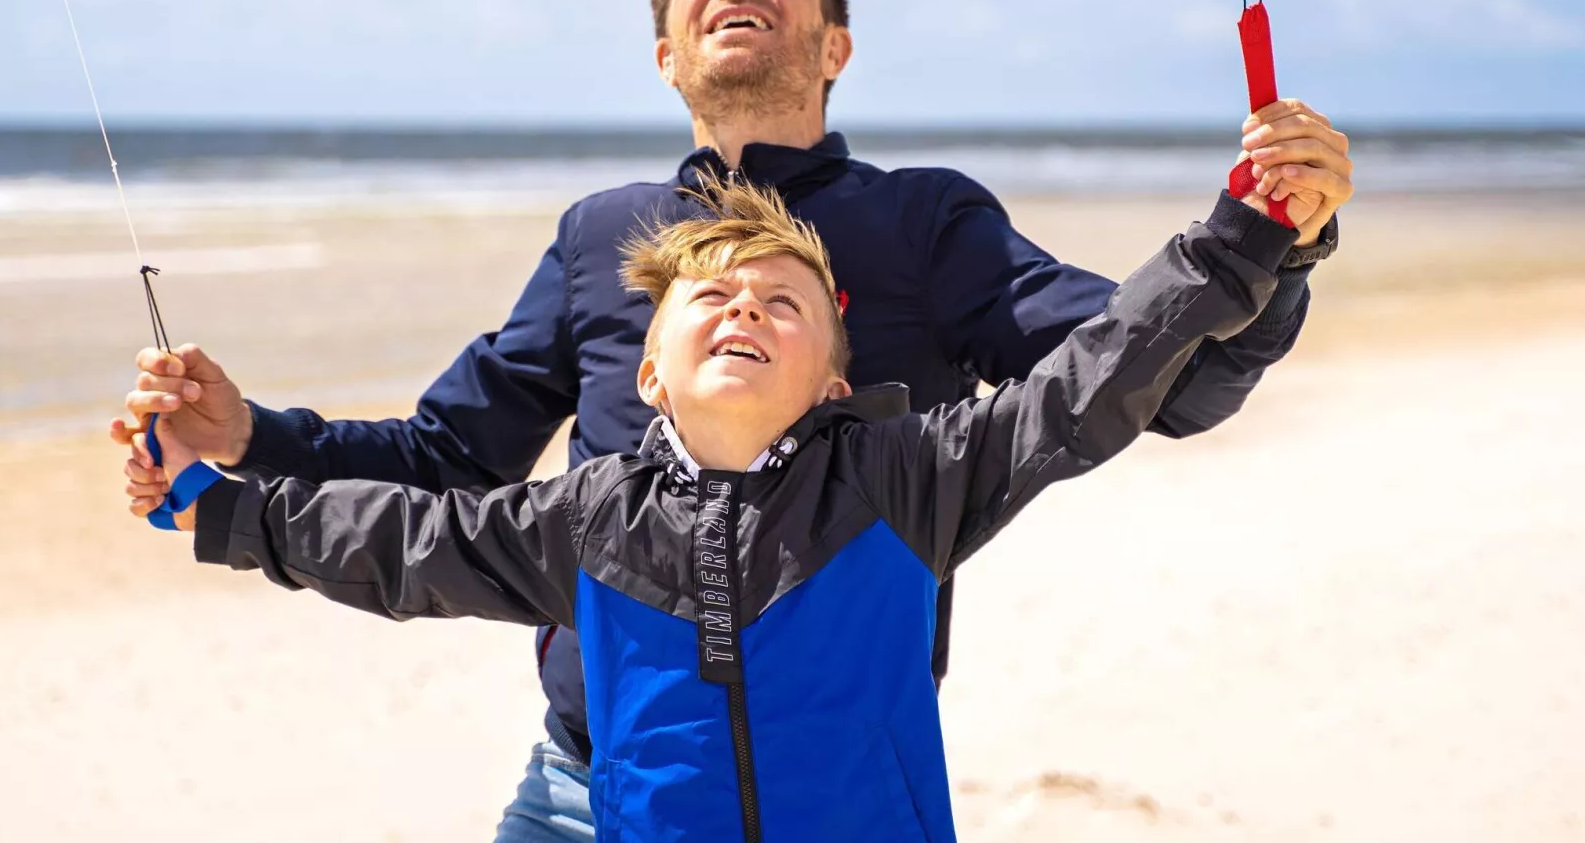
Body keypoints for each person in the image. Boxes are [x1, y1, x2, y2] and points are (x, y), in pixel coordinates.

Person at [114, 0, 1351, 841]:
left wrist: (1274, 245)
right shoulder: (603, 236)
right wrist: (244, 439)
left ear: (834, 44)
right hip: (589, 778)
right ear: (666, 52)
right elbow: (447, 465)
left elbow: (1157, 380)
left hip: (838, 770)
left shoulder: (926, 221)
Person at [138, 172, 1326, 842]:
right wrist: (214, 507)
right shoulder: (584, 518)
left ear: (835, 378)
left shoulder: (907, 476)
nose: (746, 310)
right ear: (648, 372)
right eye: (711, 296)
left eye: (783, 301)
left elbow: (1091, 379)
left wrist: (1239, 240)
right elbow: (403, 544)